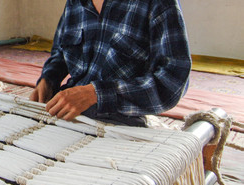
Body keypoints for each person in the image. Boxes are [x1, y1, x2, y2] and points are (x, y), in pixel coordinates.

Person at [30, 0, 191, 127]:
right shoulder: (75, 2)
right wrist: (49, 78)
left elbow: (172, 82)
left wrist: (96, 94)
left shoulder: (158, 3)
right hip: (68, 116)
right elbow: (61, 50)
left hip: (121, 122)